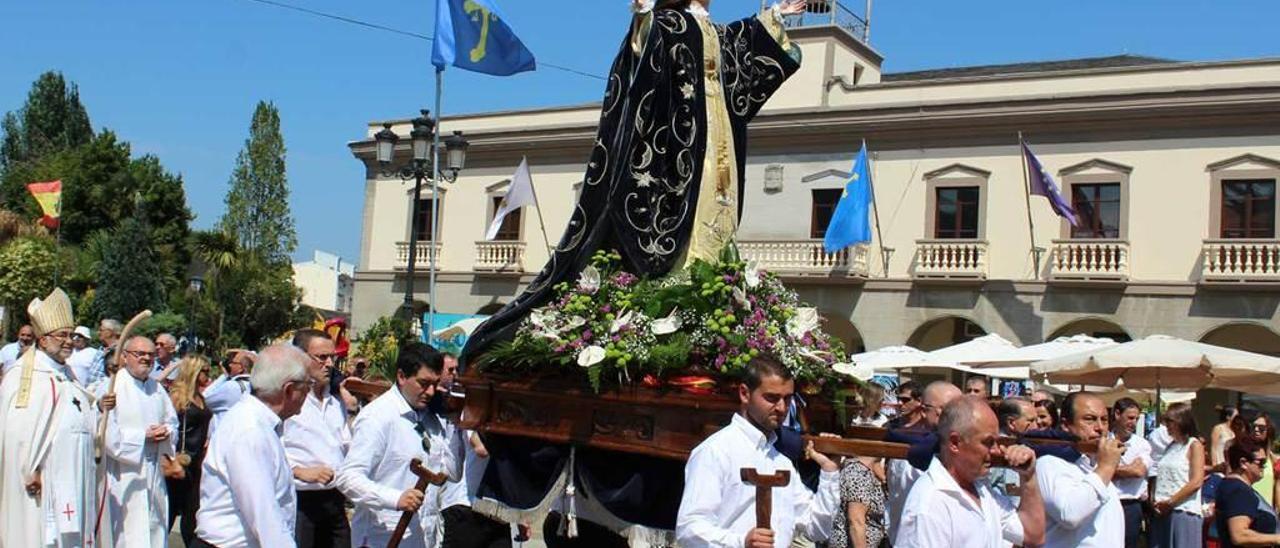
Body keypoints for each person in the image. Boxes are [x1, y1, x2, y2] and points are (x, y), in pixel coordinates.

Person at [461, 0, 808, 362]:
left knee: (715, 212)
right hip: (681, 148)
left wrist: (776, 16)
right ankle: (678, 292)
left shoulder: (718, 32)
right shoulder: (669, 22)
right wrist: (643, 18)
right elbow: (642, 54)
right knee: (687, 213)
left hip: (719, 140)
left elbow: (745, 42)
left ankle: (709, 292)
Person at [676, 355, 840, 548]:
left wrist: (830, 471)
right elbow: (689, 528)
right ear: (745, 394)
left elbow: (817, 529)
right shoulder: (716, 451)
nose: (781, 408)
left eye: (788, 399)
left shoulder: (780, 461)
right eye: (771, 398)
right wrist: (741, 542)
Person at [337, 342, 463, 548]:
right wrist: (396, 498)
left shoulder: (432, 418)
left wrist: (456, 425)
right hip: (383, 537)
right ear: (402, 376)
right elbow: (348, 478)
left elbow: (452, 473)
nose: (431, 392)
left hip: (423, 537)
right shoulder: (378, 417)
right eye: (423, 383)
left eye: (435, 383)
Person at [0, 289, 97, 547]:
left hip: (75, 476)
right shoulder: (25, 376)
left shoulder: (68, 375)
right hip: (45, 481)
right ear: (42, 340)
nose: (69, 341)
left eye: (72, 335)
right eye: (62, 335)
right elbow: (16, 434)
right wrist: (29, 469)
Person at [193, 344, 312, 547]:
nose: (308, 393)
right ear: (289, 389)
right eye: (307, 385)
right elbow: (263, 510)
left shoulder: (259, 423)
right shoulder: (250, 430)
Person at [896, 396, 1046, 547]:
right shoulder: (930, 504)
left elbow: (1032, 535)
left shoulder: (983, 490)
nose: (996, 451)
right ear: (955, 443)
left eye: (996, 442)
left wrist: (1028, 476)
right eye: (988, 442)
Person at [100, 335, 180, 547]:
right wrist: (142, 437)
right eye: (140, 354)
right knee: (127, 532)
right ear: (125, 357)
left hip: (154, 473)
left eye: (150, 355)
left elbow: (172, 422)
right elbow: (105, 432)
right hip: (124, 473)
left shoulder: (157, 388)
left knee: (154, 528)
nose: (146, 358)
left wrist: (167, 431)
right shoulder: (112, 387)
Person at [285, 329, 353, 548]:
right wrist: (299, 471)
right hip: (301, 502)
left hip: (334, 500)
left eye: (333, 357)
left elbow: (346, 444)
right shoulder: (287, 401)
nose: (330, 364)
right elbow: (266, 451)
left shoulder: (335, 403)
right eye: (322, 357)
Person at [1035, 391, 1125, 547]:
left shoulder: (1095, 466)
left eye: (1104, 420)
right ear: (1065, 425)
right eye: (1089, 419)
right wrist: (1106, 467)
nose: (1100, 428)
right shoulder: (1049, 463)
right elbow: (1070, 514)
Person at [886, 381, 962, 544]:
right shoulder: (924, 442)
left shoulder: (930, 446)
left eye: (925, 407)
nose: (922, 412)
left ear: (941, 412)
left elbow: (916, 455)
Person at [166, 355, 213, 545]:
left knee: (192, 515)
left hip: (197, 462)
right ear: (194, 371)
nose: (208, 376)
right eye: (205, 371)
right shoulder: (178, 396)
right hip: (181, 460)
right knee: (169, 512)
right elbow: (169, 426)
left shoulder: (200, 396)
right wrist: (171, 457)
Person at [1150, 402, 1205, 548]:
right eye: (1165, 420)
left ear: (1182, 421)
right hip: (1162, 512)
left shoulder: (1194, 445)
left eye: (1170, 421)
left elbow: (1196, 481)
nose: (1166, 425)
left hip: (1183, 510)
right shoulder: (1171, 446)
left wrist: (1171, 502)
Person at [1216, 438, 1280, 547]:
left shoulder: (1238, 488)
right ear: (1243, 463)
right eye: (1261, 462)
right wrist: (1277, 538)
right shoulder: (1237, 490)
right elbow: (1240, 535)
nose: (1264, 466)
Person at [1111, 397, 1153, 548]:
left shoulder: (1142, 445)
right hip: (1106, 503)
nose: (1133, 423)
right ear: (1117, 414)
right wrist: (1125, 469)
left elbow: (1138, 471)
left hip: (1130, 506)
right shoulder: (1102, 441)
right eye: (1130, 418)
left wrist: (1107, 468)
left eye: (1136, 418)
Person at [988, 397, 1036, 506]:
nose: (1036, 426)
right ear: (1011, 422)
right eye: (1030, 421)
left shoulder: (1023, 446)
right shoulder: (996, 450)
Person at [204, 348, 255, 435]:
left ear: (241, 368)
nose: (230, 365)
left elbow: (205, 397)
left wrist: (224, 376)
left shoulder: (231, 387)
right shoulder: (254, 386)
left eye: (233, 363)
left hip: (225, 437)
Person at [1235, 411, 1278, 507]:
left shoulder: (1273, 459)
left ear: (1269, 431)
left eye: (1261, 428)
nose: (1256, 430)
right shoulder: (1244, 452)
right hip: (1246, 504)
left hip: (1267, 509)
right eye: (1254, 426)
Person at [1211, 406, 1239, 471]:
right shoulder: (1218, 428)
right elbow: (1213, 448)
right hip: (1220, 462)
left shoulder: (1235, 430)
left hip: (1230, 464)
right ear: (1228, 417)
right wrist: (1215, 465)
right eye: (1236, 416)